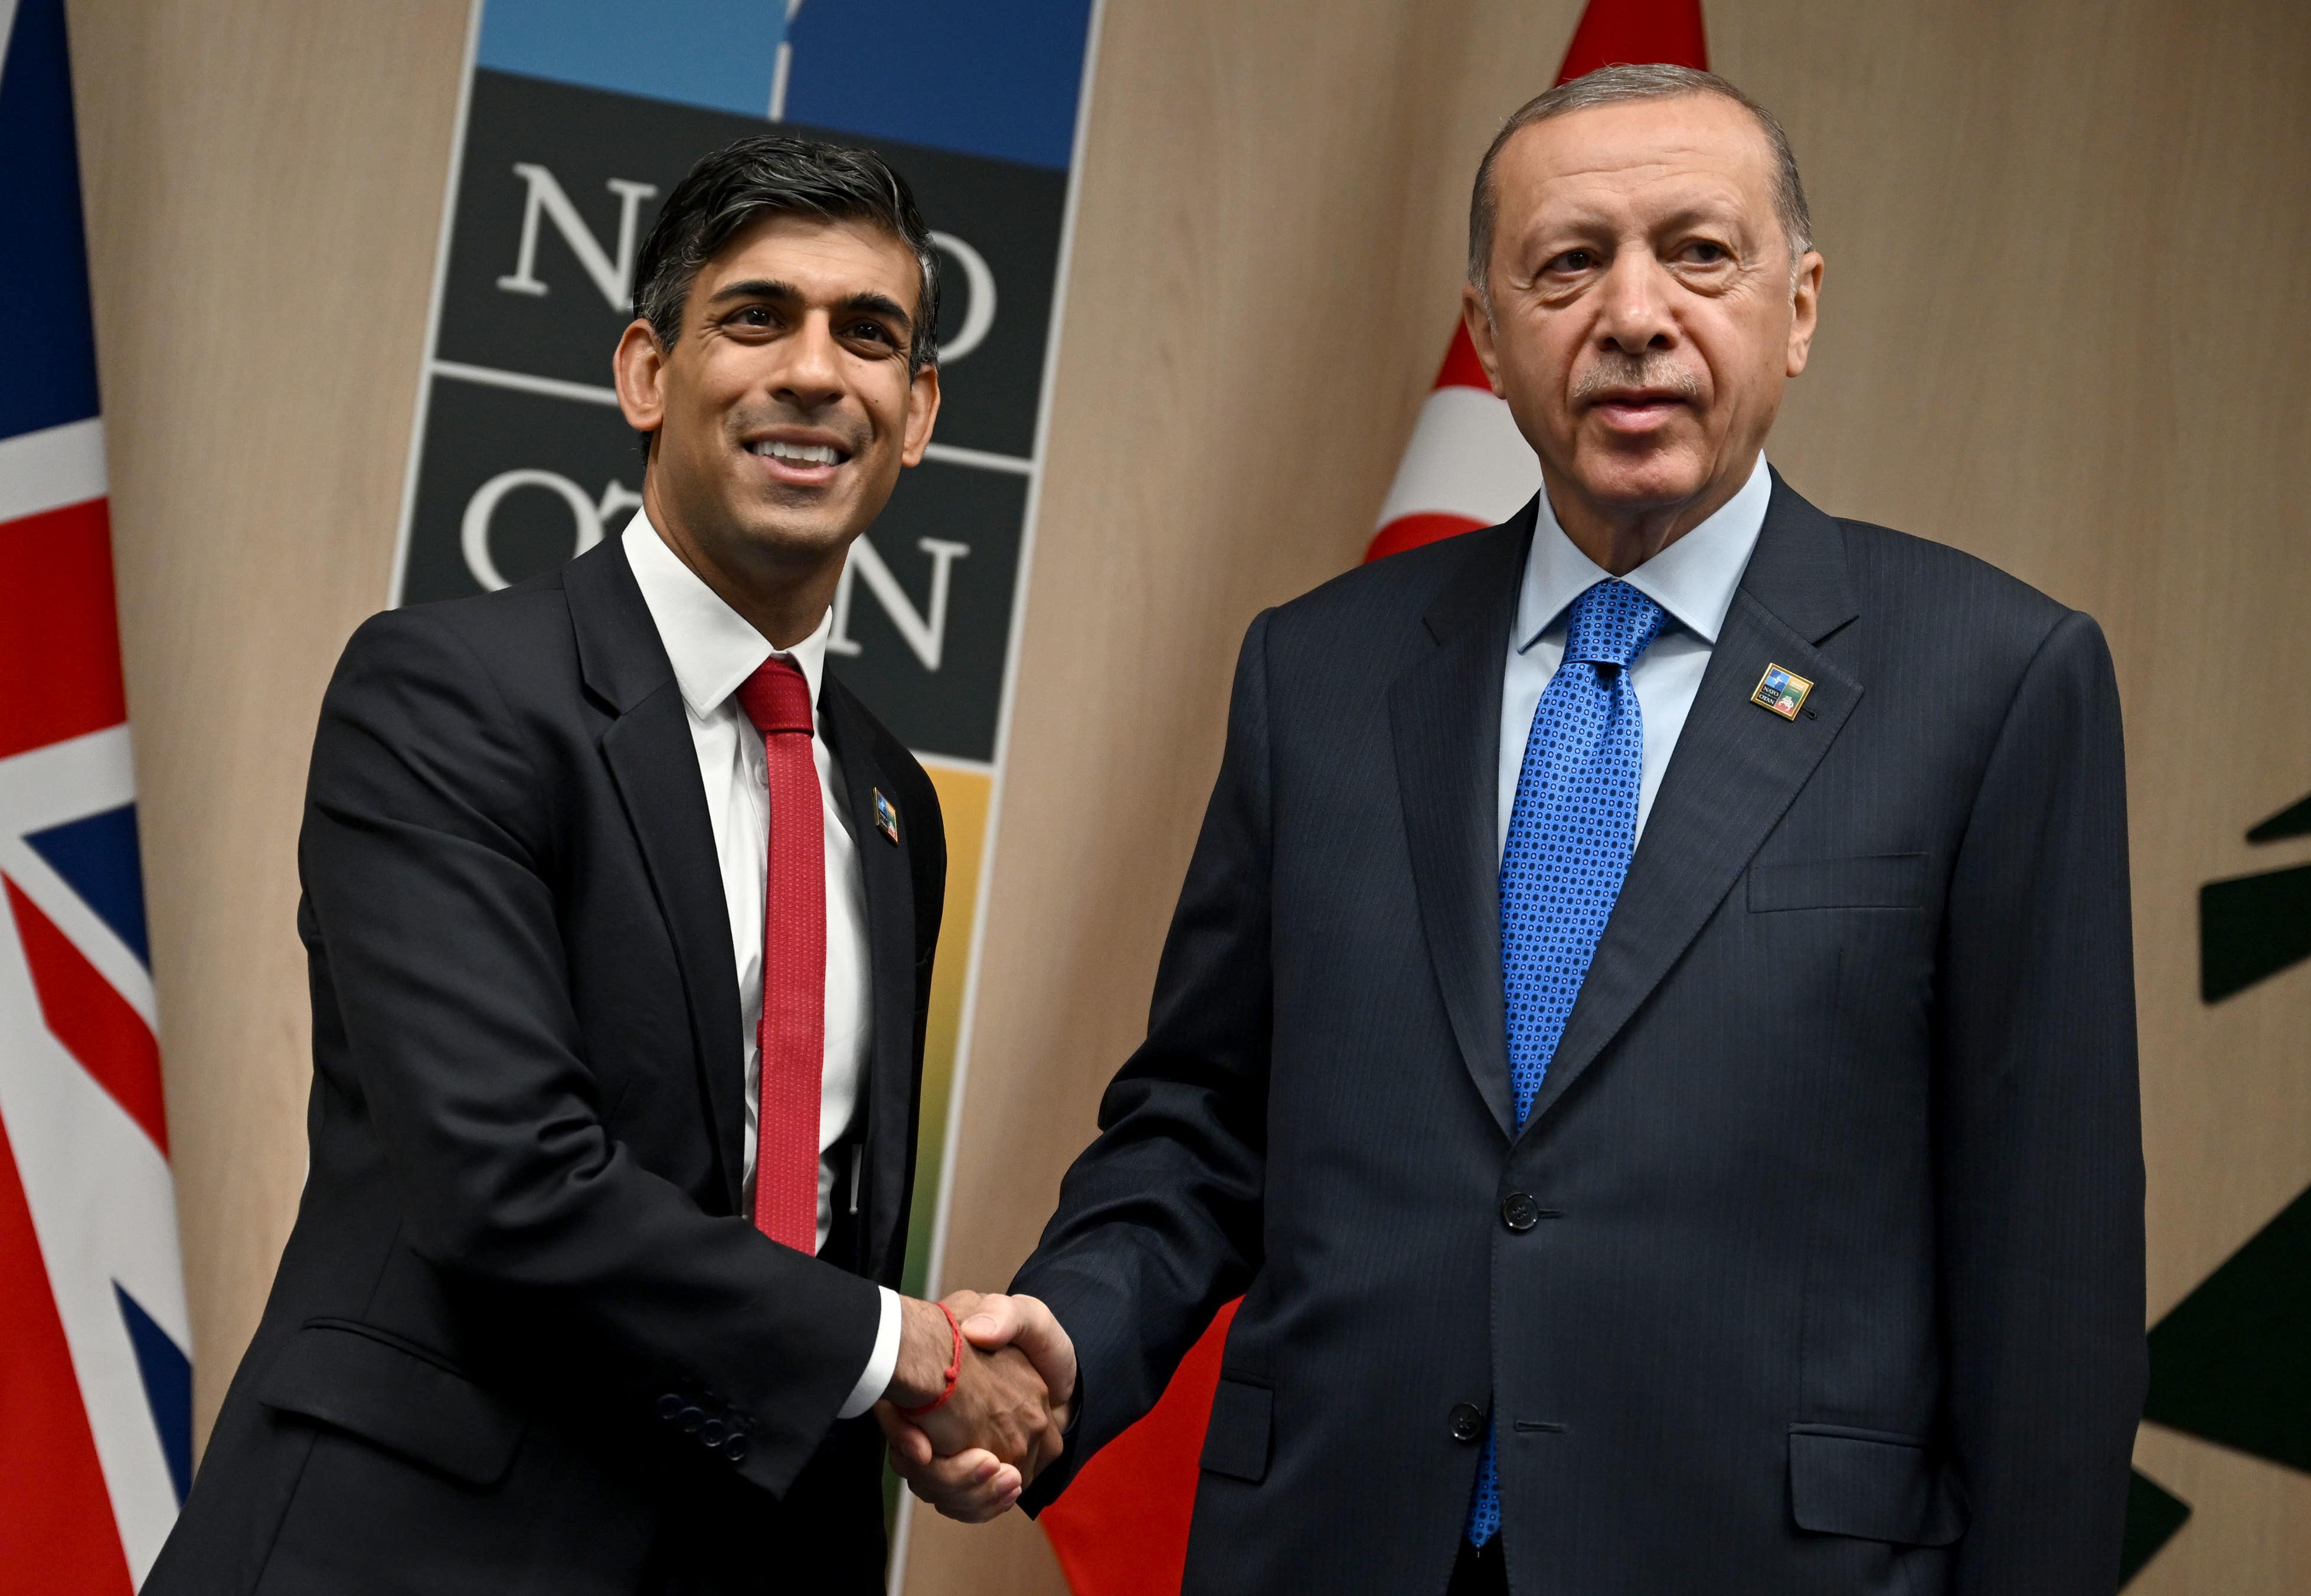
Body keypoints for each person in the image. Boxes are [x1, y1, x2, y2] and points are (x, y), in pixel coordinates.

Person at [903, 64, 2145, 1595]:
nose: (1634, 313)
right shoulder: (1324, 668)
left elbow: (2053, 1272)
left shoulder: (1993, 683)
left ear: (1801, 308)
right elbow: (1208, 1120)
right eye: (1569, 263)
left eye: (1701, 253)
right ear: (1488, 335)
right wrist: (1072, 1336)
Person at [146, 136, 1067, 1595]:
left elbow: (818, 1233)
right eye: (758, 317)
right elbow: (511, 1179)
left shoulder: (892, 800)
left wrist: (896, 1396)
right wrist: (906, 1349)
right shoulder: (446, 692)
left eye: (869, 335)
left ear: (919, 414)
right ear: (646, 372)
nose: (818, 372)